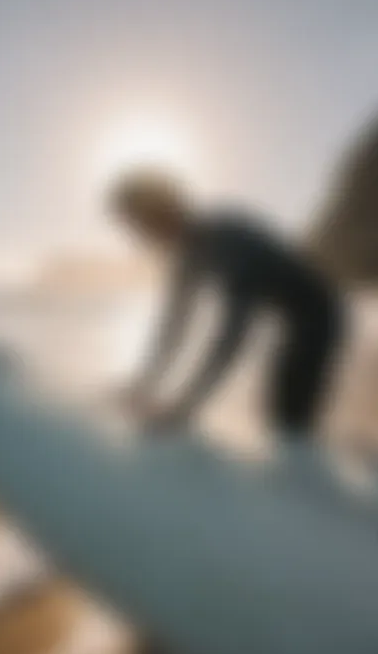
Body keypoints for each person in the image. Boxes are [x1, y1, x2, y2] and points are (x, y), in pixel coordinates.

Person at [109, 167, 345, 446]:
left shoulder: (226, 241)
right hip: (292, 319)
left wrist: (185, 407)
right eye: (135, 228)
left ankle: (308, 467)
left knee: (285, 420)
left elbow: (231, 336)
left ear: (165, 210)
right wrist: (141, 384)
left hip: (319, 313)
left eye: (141, 225)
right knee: (279, 411)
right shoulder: (188, 255)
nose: (142, 238)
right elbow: (174, 325)